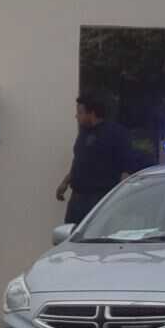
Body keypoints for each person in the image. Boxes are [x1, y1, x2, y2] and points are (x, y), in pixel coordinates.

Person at [55, 93, 137, 229]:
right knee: (70, 235)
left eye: (80, 113)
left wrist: (122, 198)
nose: (76, 116)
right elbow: (79, 159)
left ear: (91, 113)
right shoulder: (84, 133)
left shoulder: (115, 133)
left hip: (100, 198)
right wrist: (65, 182)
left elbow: (126, 167)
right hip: (77, 199)